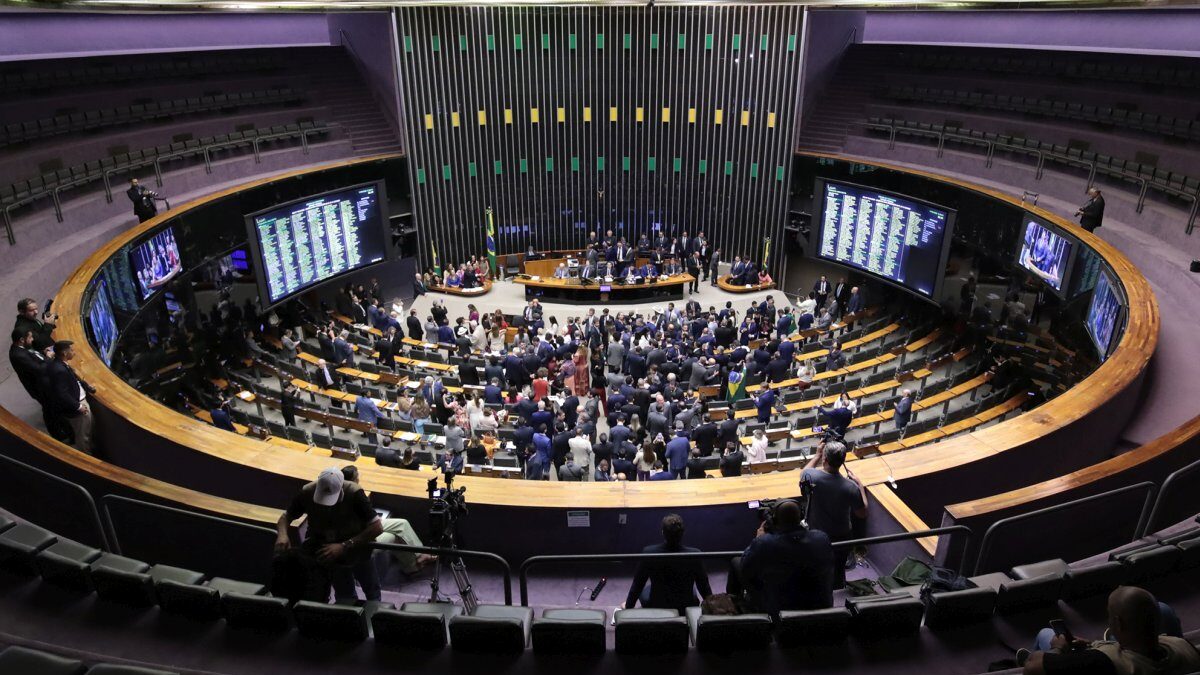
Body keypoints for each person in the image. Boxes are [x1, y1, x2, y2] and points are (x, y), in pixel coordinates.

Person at [1018, 586, 1199, 675]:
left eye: (1110, 616)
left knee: (1045, 634)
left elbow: (1031, 668)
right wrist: (1091, 645)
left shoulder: (1101, 661)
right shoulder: (1184, 646)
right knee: (1163, 607)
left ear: (1118, 624)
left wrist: (1059, 648)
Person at [275, 467, 383, 603]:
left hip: (358, 549)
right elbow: (285, 517)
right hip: (330, 553)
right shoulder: (307, 491)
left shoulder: (355, 492)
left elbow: (377, 527)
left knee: (372, 590)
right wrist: (282, 535)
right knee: (344, 594)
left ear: (341, 488)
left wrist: (344, 546)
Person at [736, 500, 833, 617]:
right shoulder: (821, 538)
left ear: (775, 520)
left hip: (779, 613)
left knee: (736, 563)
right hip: (822, 608)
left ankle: (739, 608)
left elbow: (745, 568)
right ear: (801, 517)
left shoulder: (764, 543)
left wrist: (758, 538)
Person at [801, 441, 867, 588]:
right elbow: (862, 513)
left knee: (816, 566)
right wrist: (860, 486)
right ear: (843, 461)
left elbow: (803, 472)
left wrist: (817, 455)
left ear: (825, 459)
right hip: (841, 537)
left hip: (815, 534)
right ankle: (838, 589)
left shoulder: (810, 476)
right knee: (838, 568)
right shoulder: (851, 487)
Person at [623, 514, 713, 612]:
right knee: (693, 589)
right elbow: (704, 586)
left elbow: (638, 584)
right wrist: (712, 608)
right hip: (686, 605)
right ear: (683, 533)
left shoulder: (648, 552)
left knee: (644, 590)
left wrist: (628, 606)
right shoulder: (695, 554)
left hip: (657, 604)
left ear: (663, 532)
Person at [43, 341, 95, 453]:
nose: (74, 352)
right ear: (64, 353)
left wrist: (86, 386)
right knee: (83, 434)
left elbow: (72, 381)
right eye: (71, 350)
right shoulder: (59, 370)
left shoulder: (59, 364)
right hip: (77, 407)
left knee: (86, 430)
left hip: (77, 400)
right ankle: (86, 455)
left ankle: (88, 449)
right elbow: (62, 394)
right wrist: (78, 406)